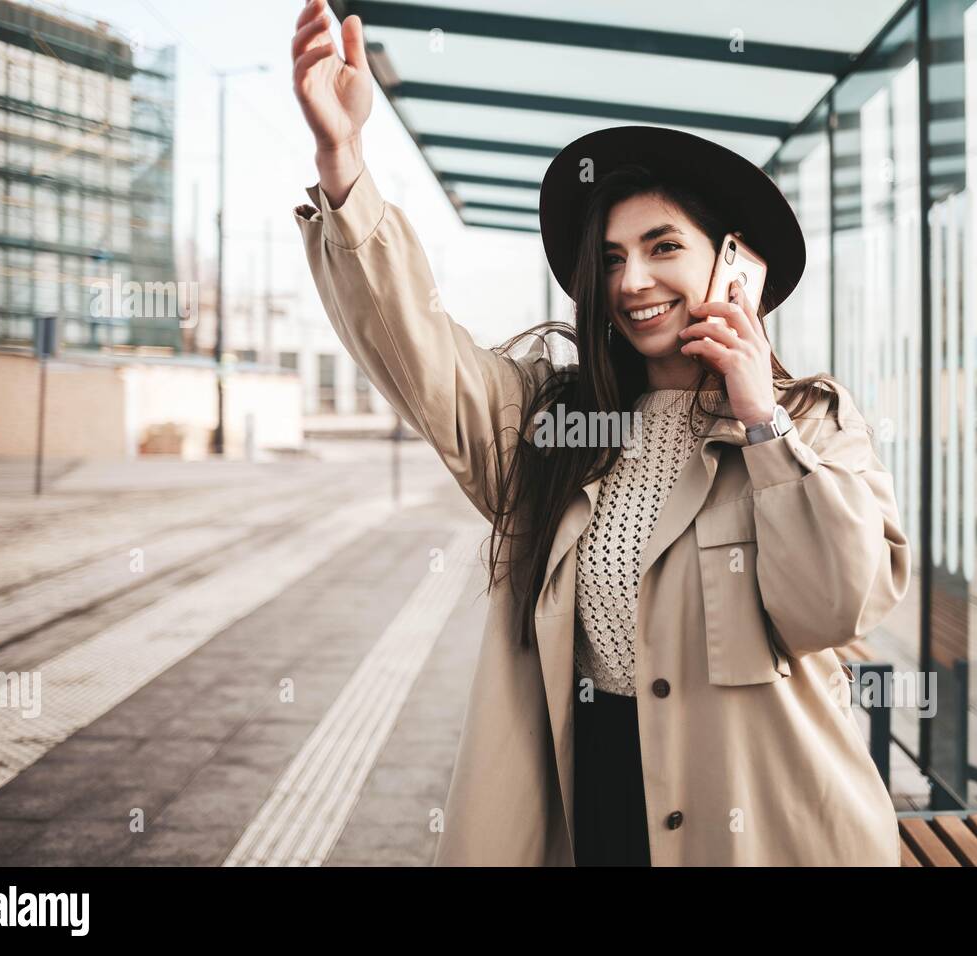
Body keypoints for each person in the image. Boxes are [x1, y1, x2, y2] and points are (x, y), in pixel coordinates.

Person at [289, 0, 912, 866]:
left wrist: (760, 420)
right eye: (613, 258)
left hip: (764, 826)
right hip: (596, 807)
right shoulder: (551, 424)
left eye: (664, 247)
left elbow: (832, 606)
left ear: (735, 264)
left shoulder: (809, 421)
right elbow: (417, 348)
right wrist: (344, 160)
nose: (634, 280)